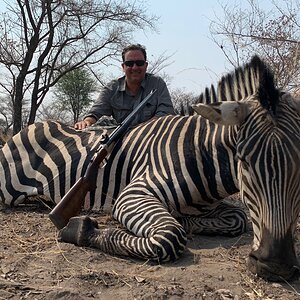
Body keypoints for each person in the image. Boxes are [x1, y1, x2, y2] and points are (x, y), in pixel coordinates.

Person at [74, 44, 175, 130]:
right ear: (123, 67)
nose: (135, 67)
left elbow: (166, 115)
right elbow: (96, 112)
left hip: (150, 138)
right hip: (122, 142)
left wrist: (139, 130)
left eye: (139, 63)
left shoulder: (157, 84)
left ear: (146, 65)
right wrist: (86, 122)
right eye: (129, 64)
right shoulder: (111, 88)